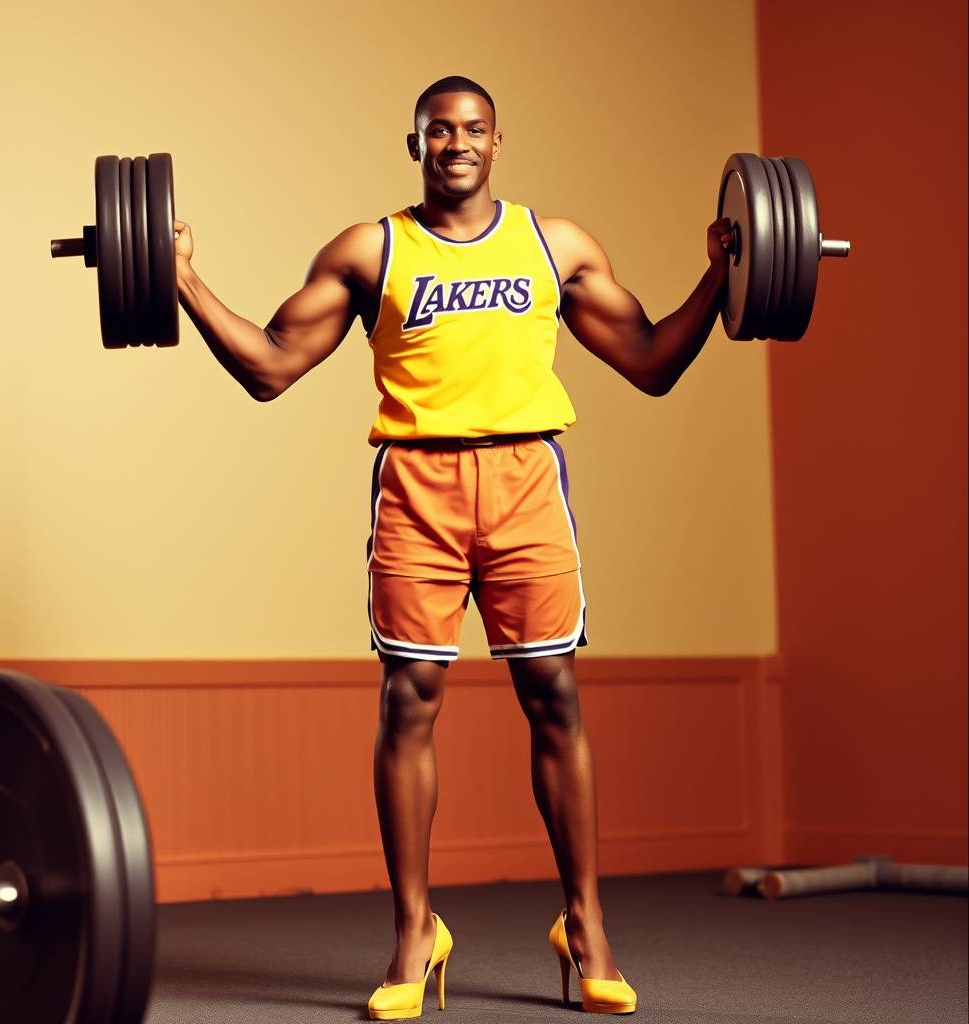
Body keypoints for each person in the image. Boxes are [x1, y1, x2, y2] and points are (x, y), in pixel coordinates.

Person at [174, 75, 730, 1019]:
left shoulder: (556, 246)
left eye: (474, 128)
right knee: (408, 700)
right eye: (441, 129)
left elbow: (651, 361)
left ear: (498, 141)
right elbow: (270, 366)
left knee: (551, 691)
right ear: (416, 143)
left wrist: (726, 273)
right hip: (418, 489)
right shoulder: (370, 250)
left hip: (524, 486)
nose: (458, 142)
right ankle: (413, 931)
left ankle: (586, 924)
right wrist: (180, 277)